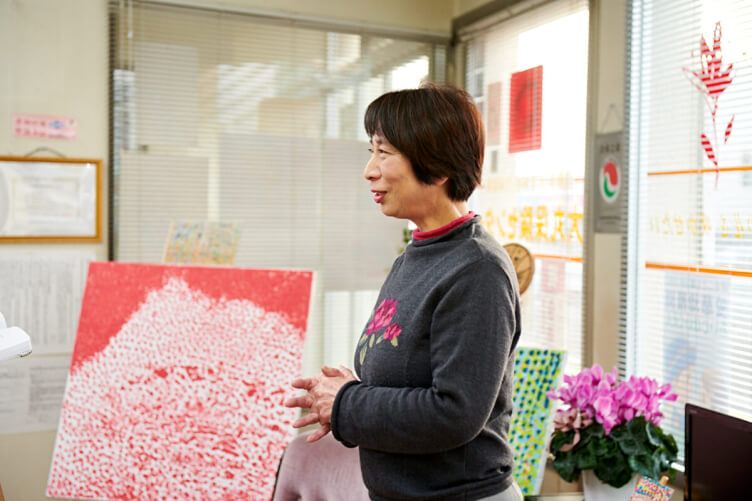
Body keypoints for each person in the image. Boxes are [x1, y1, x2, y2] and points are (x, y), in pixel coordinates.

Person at [285, 83, 523, 501]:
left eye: (384, 152)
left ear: (438, 165)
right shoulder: (416, 256)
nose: (369, 170)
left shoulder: (478, 269)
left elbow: (454, 413)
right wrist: (347, 396)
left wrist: (347, 404)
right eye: (371, 151)